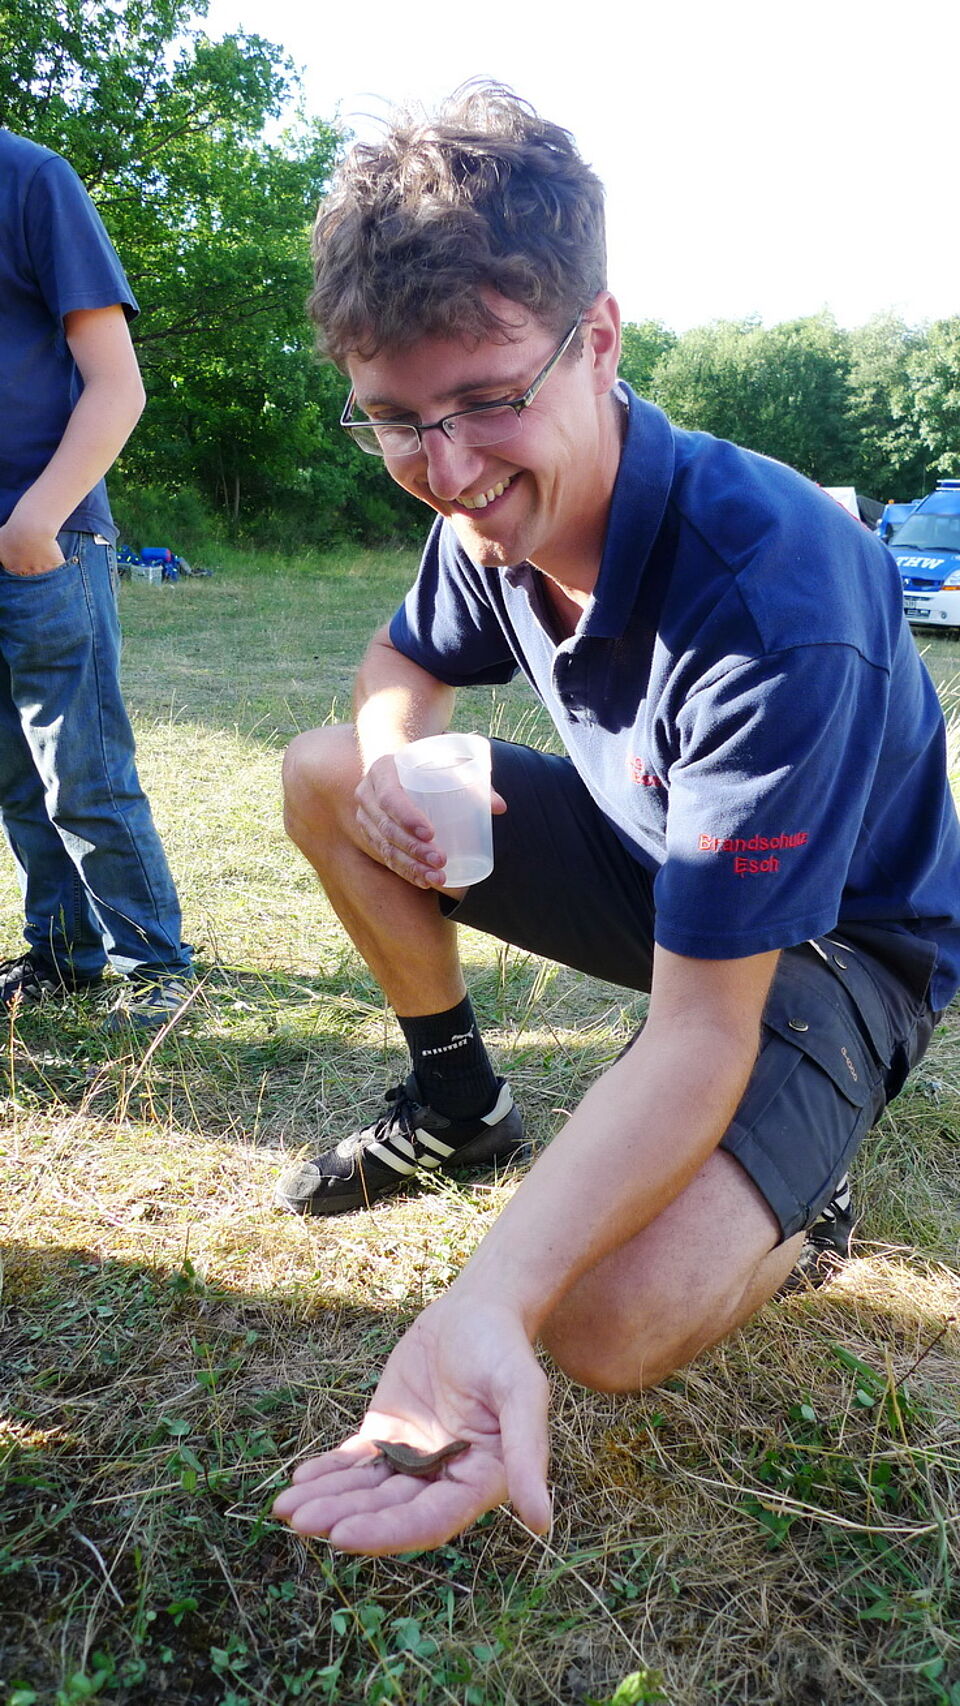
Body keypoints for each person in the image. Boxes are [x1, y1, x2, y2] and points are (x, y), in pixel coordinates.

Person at [271, 86, 960, 1555]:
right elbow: (403, 657)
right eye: (394, 418)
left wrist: (488, 1299)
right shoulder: (482, 509)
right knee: (322, 768)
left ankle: (808, 1193)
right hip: (657, 856)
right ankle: (458, 1103)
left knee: (601, 1317)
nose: (449, 469)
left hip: (844, 943)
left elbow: (700, 1033)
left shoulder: (775, 596)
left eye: (486, 400)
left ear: (598, 339)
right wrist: (394, 754)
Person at [0, 129, 192, 1028]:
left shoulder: (33, 179)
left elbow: (118, 384)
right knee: (15, 777)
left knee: (83, 772)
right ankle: (61, 954)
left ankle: (155, 966)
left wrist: (35, 520)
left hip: (46, 539)